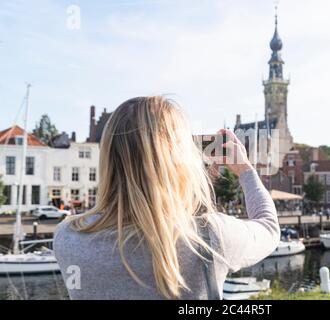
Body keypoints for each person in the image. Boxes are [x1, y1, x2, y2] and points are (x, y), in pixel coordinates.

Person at [54, 96, 280, 300]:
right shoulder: (209, 237)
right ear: (178, 162)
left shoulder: (68, 238)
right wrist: (245, 170)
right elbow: (269, 228)